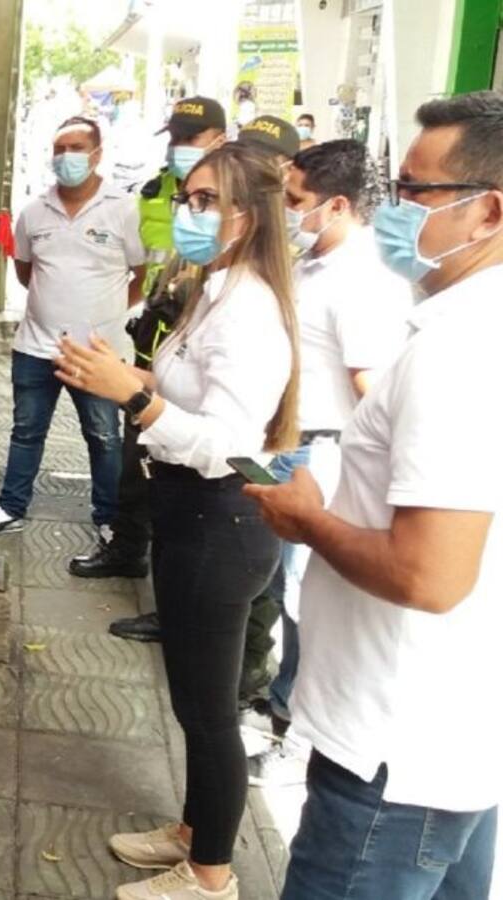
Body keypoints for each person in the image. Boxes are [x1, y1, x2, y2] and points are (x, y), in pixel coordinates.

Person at [248, 91, 502, 900]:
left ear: (488, 210)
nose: (393, 210)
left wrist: (309, 521)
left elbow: (431, 574)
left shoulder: (459, 348)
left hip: (396, 752)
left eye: (415, 191)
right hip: (452, 732)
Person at [55, 141, 299, 900]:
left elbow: (226, 443)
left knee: (209, 709)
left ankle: (210, 876)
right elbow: (187, 389)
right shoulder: (215, 288)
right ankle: (196, 830)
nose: (188, 214)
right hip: (188, 512)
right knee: (193, 700)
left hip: (219, 518)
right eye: (186, 198)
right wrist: (127, 373)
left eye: (205, 202)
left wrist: (132, 397)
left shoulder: (250, 307)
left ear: (247, 216)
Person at [241, 140, 413, 782]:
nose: (286, 210)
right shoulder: (315, 262)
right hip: (286, 443)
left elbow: (371, 389)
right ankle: (275, 698)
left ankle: (296, 736)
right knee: (279, 586)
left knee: (302, 596)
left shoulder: (364, 280)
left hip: (318, 451)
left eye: (296, 200)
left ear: (337, 205)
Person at [82, 97, 227, 646]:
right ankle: (129, 551)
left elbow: (224, 443)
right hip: (158, 342)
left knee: (186, 483)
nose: (180, 147)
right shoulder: (155, 191)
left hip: (195, 350)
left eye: (193, 137)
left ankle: (194, 621)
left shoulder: (239, 218)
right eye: (176, 136)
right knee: (139, 465)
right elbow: (147, 265)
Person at [0, 116, 145, 539]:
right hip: (36, 346)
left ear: (97, 154)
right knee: (25, 432)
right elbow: (25, 271)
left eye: (76, 148)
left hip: (98, 354)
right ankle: (11, 507)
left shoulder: (124, 209)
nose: (66, 157)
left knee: (104, 436)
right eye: (59, 149)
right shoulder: (34, 212)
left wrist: (106, 313)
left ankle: (108, 517)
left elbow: (142, 276)